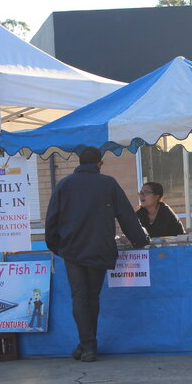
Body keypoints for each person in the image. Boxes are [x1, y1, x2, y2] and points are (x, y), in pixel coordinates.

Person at [45, 147, 148, 362]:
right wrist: (140, 240)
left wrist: (57, 246)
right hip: (99, 248)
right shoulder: (108, 183)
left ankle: (87, 345)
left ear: (79, 162)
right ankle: (88, 345)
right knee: (92, 297)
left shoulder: (64, 184)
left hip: (72, 251)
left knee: (80, 298)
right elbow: (127, 215)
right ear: (99, 163)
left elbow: (51, 220)